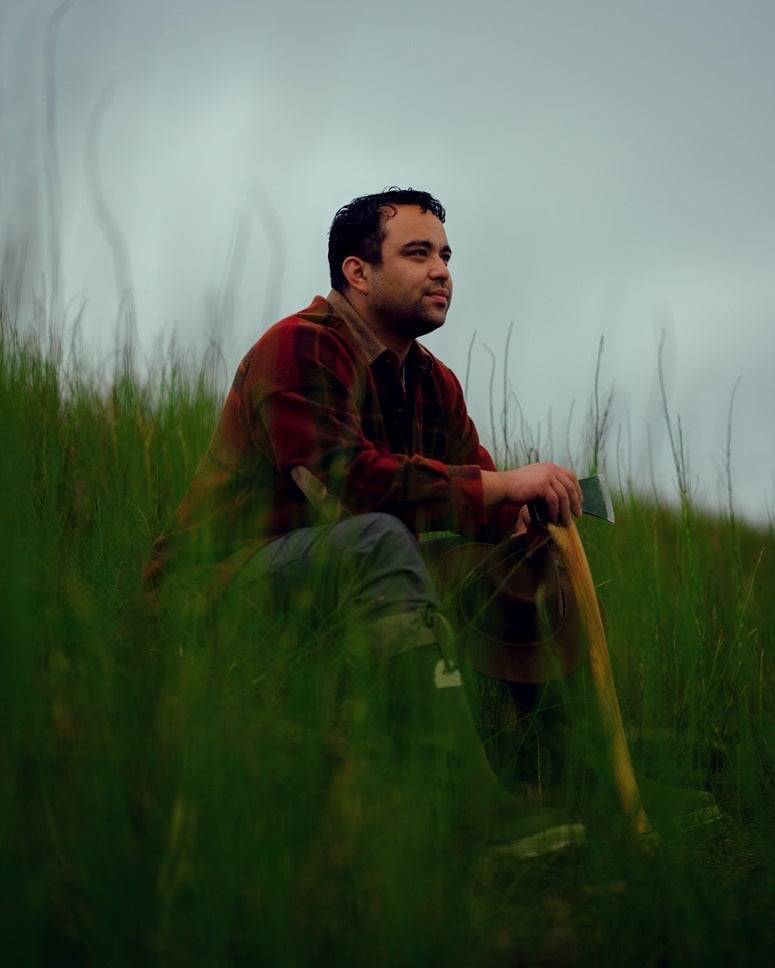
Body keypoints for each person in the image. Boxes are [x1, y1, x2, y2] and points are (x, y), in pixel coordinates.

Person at [143, 188, 716, 857]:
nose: (441, 270)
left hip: (341, 582)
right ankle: (468, 805)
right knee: (379, 540)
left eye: (445, 255)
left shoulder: (432, 382)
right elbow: (345, 487)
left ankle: (578, 774)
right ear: (358, 272)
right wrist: (502, 486)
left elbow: (481, 497)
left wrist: (520, 523)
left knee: (520, 563)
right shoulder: (299, 346)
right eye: (417, 253)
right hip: (216, 593)